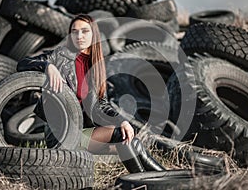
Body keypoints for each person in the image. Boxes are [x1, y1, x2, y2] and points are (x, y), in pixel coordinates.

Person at [17, 14, 165, 173]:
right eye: (74, 32)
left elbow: (102, 105)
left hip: (82, 132)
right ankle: (150, 181)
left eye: (84, 31)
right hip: (61, 134)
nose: (79, 36)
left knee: (131, 141)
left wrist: (121, 121)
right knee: (120, 136)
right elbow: (22, 64)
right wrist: (47, 66)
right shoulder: (58, 57)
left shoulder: (96, 66)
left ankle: (162, 178)